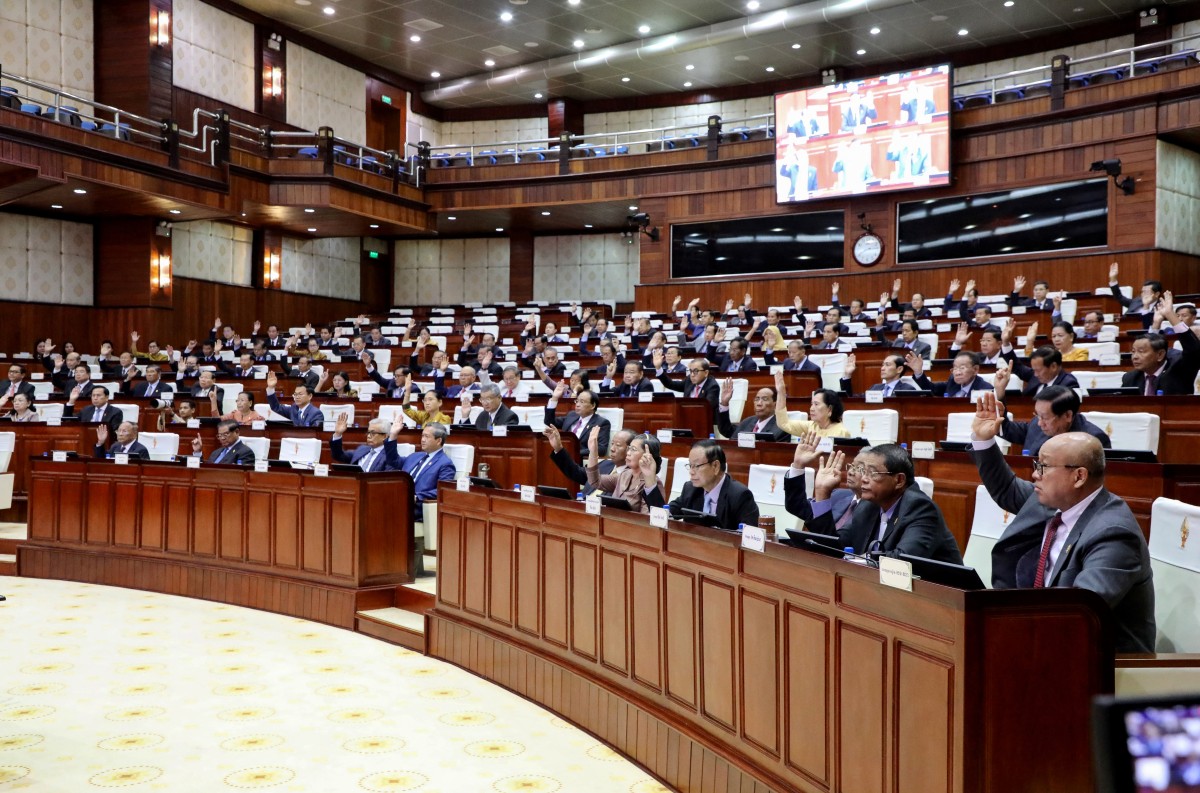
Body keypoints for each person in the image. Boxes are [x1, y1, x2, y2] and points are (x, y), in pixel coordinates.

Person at [969, 391, 1155, 653]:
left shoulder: (1114, 532)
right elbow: (1006, 487)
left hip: (1103, 662)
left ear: (1079, 476)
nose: (1035, 474)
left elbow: (1080, 613)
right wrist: (984, 440)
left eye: (1043, 466)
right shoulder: (1051, 501)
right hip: (1048, 640)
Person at [803, 444, 962, 562]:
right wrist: (822, 493)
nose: (864, 478)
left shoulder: (920, 508)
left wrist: (858, 559)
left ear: (899, 480)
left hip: (947, 599)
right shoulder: (867, 506)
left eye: (872, 473)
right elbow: (834, 548)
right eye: (863, 471)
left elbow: (902, 562)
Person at [644, 439, 758, 532]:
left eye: (696, 466)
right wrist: (649, 477)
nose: (691, 472)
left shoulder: (740, 496)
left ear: (715, 466)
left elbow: (748, 539)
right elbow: (662, 516)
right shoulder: (690, 489)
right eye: (690, 466)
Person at [995, 385, 1111, 456]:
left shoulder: (1093, 440)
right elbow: (1008, 429)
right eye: (1037, 415)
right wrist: (999, 397)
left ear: (1068, 416)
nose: (1040, 422)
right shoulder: (1037, 424)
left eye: (1044, 417)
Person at [783, 429, 858, 530]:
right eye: (852, 466)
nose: (851, 472)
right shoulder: (839, 495)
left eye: (860, 469)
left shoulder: (876, 509)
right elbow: (796, 506)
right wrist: (798, 465)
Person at [1122, 297, 1200, 396]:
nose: (1135, 357)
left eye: (1141, 351)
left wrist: (1171, 315)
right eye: (1133, 351)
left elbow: (1193, 349)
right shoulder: (1130, 378)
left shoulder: (1179, 369)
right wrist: (1156, 324)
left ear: (1160, 355)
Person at [585, 430, 664, 513]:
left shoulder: (653, 483)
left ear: (647, 456)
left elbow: (649, 518)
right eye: (629, 448)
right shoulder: (624, 474)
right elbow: (595, 481)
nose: (628, 453)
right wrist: (593, 451)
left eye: (633, 449)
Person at [398, 421, 460, 521]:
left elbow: (442, 491)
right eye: (422, 436)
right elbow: (394, 461)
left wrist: (417, 497)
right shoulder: (415, 456)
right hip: (399, 500)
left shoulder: (445, 464)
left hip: (416, 507)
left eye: (427, 436)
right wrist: (392, 436)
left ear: (438, 440)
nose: (422, 440)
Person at [544, 425, 634, 489]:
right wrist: (558, 448)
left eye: (618, 445)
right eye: (612, 444)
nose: (612, 449)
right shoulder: (604, 464)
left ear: (630, 449)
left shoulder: (631, 476)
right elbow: (576, 472)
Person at [774, 372, 850, 438]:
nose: (811, 408)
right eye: (811, 404)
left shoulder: (841, 432)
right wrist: (781, 392)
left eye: (816, 404)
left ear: (830, 409)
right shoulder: (811, 426)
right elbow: (783, 423)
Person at [545, 383, 610, 456]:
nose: (577, 404)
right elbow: (549, 422)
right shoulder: (572, 415)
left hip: (580, 460)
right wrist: (554, 398)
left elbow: (601, 449)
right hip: (562, 455)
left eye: (582, 402)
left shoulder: (602, 423)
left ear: (593, 405)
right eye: (577, 401)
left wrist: (574, 453)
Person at [716, 380, 790, 441]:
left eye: (765, 399)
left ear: (775, 404)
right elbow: (727, 431)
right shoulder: (748, 421)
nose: (759, 403)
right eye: (757, 399)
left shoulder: (782, 429)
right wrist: (724, 403)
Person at [997, 347, 1080, 397]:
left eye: (1038, 370)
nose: (1035, 374)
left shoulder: (1069, 384)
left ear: (1053, 367)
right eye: (1034, 370)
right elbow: (1017, 366)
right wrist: (1005, 343)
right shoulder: (1035, 375)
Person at [330, 414, 401, 471]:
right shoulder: (362, 449)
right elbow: (338, 455)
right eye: (368, 432)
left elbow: (386, 481)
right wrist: (337, 434)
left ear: (385, 436)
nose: (369, 436)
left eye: (373, 433)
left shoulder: (389, 457)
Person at [908, 350, 993, 398]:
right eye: (955, 368)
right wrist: (918, 371)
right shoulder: (952, 382)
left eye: (962, 368)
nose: (957, 373)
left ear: (975, 370)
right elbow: (932, 389)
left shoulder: (985, 389)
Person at [655, 353, 720, 414]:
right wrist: (658, 368)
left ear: (706, 373)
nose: (692, 375)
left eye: (695, 371)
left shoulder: (712, 386)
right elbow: (670, 384)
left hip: (705, 421)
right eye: (690, 371)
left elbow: (707, 408)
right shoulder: (689, 380)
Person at [1107, 261, 1163, 328]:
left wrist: (1146, 305)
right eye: (1142, 292)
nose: (1143, 294)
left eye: (1146, 292)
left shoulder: (1161, 307)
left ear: (1157, 294)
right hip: (1126, 328)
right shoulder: (1137, 301)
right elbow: (1119, 297)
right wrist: (1113, 279)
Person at [839, 353, 917, 397]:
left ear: (899, 369)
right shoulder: (875, 387)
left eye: (887, 365)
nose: (882, 368)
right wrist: (847, 375)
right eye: (882, 365)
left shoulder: (907, 390)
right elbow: (851, 399)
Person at [190, 419, 257, 465]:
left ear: (237, 432)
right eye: (219, 435)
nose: (222, 438)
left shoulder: (245, 453)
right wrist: (197, 452)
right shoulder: (216, 452)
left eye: (225, 434)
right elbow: (205, 469)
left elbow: (241, 476)